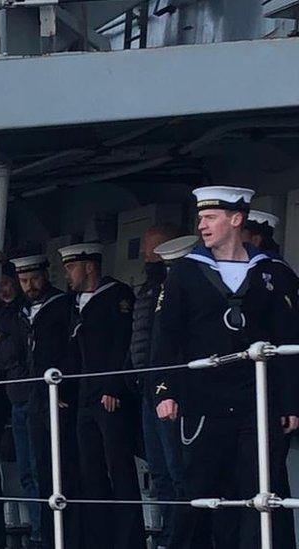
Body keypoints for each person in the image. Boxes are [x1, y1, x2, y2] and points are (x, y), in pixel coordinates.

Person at [153, 186, 299, 549]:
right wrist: (165, 390)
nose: (201, 225)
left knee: (257, 492)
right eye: (200, 217)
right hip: (205, 400)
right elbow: (166, 337)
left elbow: (285, 339)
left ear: (236, 220)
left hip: (255, 400)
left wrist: (290, 401)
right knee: (198, 491)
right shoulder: (186, 272)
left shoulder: (267, 272)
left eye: (210, 217)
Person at [58, 242, 144, 549]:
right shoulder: (76, 303)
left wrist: (113, 386)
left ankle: (130, 541)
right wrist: (64, 388)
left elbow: (124, 344)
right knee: (91, 473)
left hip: (109, 397)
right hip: (84, 398)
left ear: (89, 266)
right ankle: (100, 540)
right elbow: (74, 352)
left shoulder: (117, 296)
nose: (67, 274)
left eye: (71, 267)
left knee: (119, 470)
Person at [10, 254, 84, 549]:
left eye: (34, 279)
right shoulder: (18, 312)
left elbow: (72, 349)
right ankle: (42, 534)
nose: (30, 286)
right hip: (28, 394)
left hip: (56, 395)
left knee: (59, 470)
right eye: (24, 281)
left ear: (46, 274)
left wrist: (64, 389)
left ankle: (62, 536)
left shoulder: (63, 305)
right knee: (32, 470)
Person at [129, 225, 183, 549]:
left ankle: (182, 536)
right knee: (159, 469)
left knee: (177, 469)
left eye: (152, 249)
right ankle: (166, 533)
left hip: (172, 389)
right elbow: (140, 339)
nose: (147, 256)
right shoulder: (148, 290)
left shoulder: (172, 289)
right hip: (148, 387)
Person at [0, 262, 39, 547]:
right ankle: (37, 528)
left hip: (29, 394)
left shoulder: (24, 312)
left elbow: (15, 353)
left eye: (7, 282)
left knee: (36, 469)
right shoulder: (0, 314)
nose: (3, 289)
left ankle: (41, 531)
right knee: (25, 472)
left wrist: (3, 347)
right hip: (13, 396)